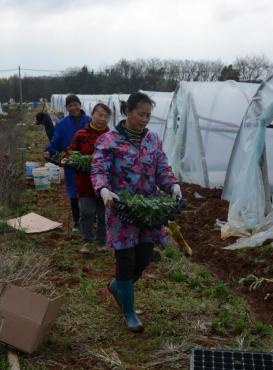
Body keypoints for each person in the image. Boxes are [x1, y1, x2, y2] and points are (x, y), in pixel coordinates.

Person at [91, 92, 181, 333]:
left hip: (148, 210)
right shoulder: (109, 140)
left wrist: (172, 184)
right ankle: (129, 312)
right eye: (140, 114)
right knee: (126, 259)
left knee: (142, 259)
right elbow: (98, 168)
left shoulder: (152, 140)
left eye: (148, 115)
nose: (144, 119)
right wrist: (104, 191)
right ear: (127, 112)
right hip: (121, 209)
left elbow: (162, 167)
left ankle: (116, 286)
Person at [62, 103, 111, 254]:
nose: (102, 119)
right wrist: (65, 159)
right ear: (92, 114)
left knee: (103, 213)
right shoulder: (81, 134)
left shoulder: (110, 136)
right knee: (87, 212)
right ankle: (87, 241)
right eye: (99, 115)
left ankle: (101, 241)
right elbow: (70, 151)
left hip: (105, 182)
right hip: (85, 181)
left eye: (106, 117)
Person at [44, 95, 91, 231]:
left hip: (88, 162)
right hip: (70, 162)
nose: (73, 107)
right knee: (74, 191)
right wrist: (49, 150)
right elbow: (56, 140)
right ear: (67, 108)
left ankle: (90, 219)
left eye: (75, 104)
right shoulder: (62, 124)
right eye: (70, 105)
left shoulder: (89, 121)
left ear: (80, 105)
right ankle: (77, 221)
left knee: (89, 191)